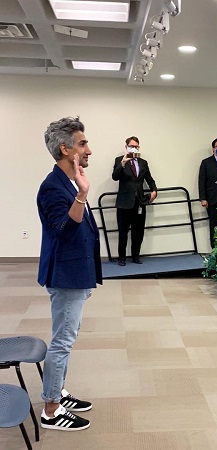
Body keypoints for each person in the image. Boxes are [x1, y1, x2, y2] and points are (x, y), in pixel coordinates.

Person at [37, 116, 102, 431]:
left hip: (77, 271)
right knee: (63, 339)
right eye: (82, 143)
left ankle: (58, 391)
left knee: (68, 336)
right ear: (65, 149)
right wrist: (82, 195)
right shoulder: (53, 187)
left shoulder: (71, 179)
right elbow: (62, 229)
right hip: (65, 274)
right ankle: (51, 410)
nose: (89, 149)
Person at [112, 136, 157, 266]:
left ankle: (136, 256)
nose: (134, 148)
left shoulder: (143, 163)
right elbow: (115, 177)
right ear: (126, 147)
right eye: (131, 146)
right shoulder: (119, 160)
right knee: (123, 232)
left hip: (139, 202)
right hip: (124, 202)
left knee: (138, 231)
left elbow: (150, 179)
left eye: (136, 146)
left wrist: (154, 190)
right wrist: (123, 163)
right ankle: (122, 258)